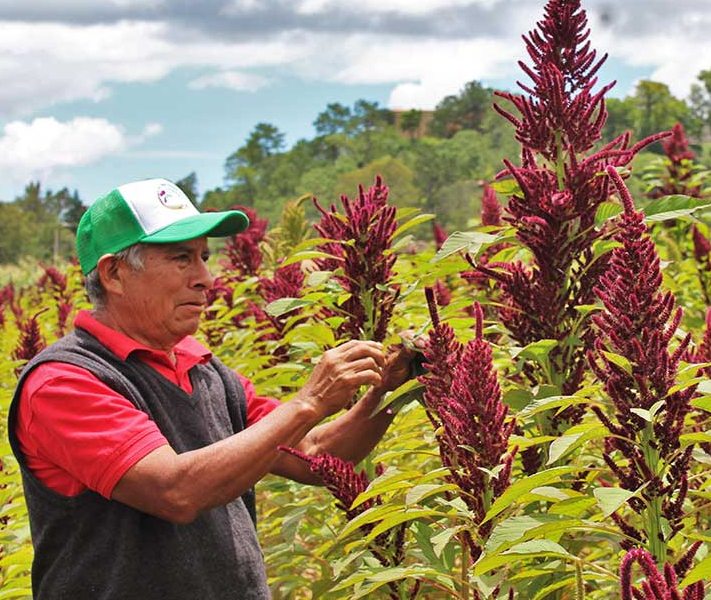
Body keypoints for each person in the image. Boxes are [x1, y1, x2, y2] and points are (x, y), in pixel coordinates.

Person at [7, 178, 416, 600]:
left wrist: (388, 393)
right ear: (114, 274)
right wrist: (309, 402)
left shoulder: (203, 368)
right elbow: (174, 492)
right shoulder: (64, 382)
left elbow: (313, 453)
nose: (206, 278)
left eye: (204, 257)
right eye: (181, 259)